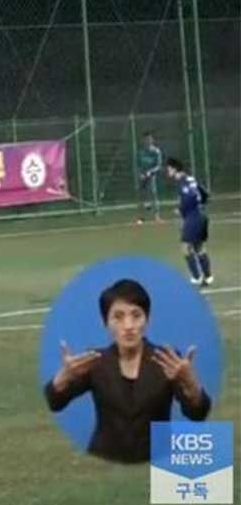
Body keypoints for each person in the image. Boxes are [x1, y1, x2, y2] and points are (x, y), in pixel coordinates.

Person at [44, 279, 211, 463]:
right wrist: (63, 377)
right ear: (106, 323)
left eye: (136, 315)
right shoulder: (95, 362)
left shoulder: (166, 360)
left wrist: (192, 384)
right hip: (105, 461)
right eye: (118, 317)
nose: (128, 326)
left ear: (147, 319)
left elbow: (197, 413)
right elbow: (54, 402)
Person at [165, 157, 213, 287]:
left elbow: (190, 196)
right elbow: (204, 194)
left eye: (169, 169)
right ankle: (208, 277)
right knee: (199, 247)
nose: (168, 172)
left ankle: (196, 277)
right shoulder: (191, 179)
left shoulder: (182, 182)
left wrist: (181, 209)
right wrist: (201, 204)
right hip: (200, 215)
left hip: (193, 217)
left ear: (174, 169)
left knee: (186, 247)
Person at [135, 132, 163, 224]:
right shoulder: (141, 152)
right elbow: (138, 165)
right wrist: (140, 174)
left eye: (149, 139)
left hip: (151, 176)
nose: (148, 141)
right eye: (146, 139)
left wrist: (150, 172)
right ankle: (140, 217)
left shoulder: (156, 151)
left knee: (153, 194)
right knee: (141, 196)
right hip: (142, 176)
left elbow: (158, 166)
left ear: (152, 140)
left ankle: (157, 216)